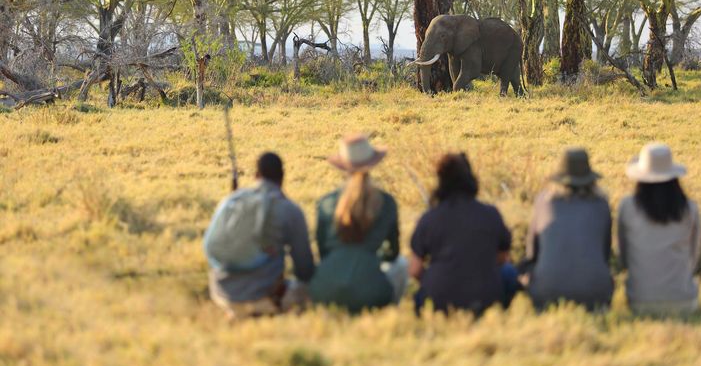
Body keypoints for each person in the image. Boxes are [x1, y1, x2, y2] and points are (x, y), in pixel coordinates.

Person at [204, 152, 315, 320]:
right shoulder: (289, 210)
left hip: (221, 293)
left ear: (256, 175)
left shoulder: (232, 200)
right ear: (282, 177)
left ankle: (235, 312)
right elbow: (304, 269)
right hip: (265, 295)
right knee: (312, 292)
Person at [309, 134, 408, 313]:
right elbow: (393, 253)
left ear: (343, 167)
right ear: (372, 164)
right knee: (401, 264)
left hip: (326, 290)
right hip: (372, 292)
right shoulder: (386, 203)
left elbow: (322, 252)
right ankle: (390, 310)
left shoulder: (326, 202)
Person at [410, 153, 518, 315]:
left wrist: (434, 279)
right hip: (486, 296)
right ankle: (501, 313)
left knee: (419, 296)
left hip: (439, 298)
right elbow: (503, 258)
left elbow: (414, 270)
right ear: (470, 179)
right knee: (509, 272)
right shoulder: (491, 214)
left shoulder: (429, 218)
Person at [523, 148, 614, 311]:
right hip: (595, 293)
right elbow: (605, 252)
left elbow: (532, 252)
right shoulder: (601, 204)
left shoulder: (544, 201)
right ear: (590, 178)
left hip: (546, 293)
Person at [618, 143, 701, 314]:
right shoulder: (690, 209)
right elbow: (693, 257)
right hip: (684, 302)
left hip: (639, 302)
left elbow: (624, 257)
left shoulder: (627, 206)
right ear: (673, 178)